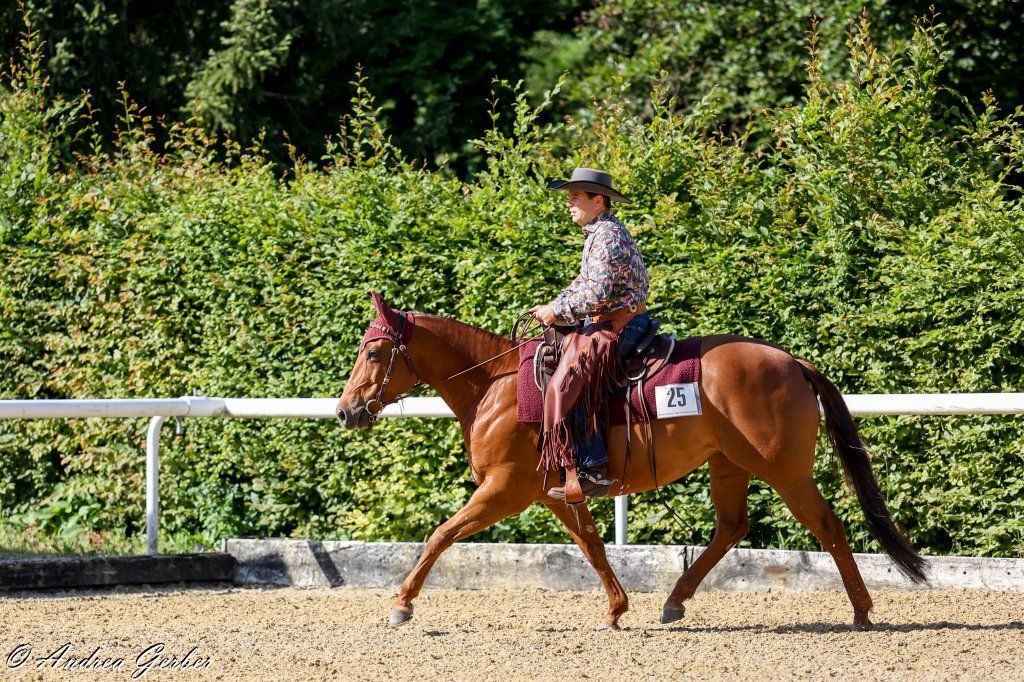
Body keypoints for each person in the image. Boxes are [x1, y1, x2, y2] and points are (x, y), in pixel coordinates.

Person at [529, 167, 650, 501]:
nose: (568, 203)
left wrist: (558, 311)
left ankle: (593, 469)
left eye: (575, 197)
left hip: (621, 324)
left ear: (598, 201)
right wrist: (553, 306)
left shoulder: (607, 236)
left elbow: (596, 294)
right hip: (611, 321)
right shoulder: (600, 233)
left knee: (570, 382)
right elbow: (583, 285)